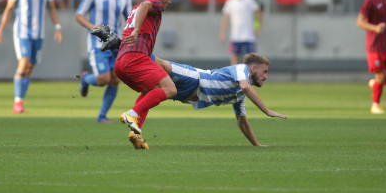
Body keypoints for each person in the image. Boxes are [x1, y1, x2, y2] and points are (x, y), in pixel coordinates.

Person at [91, 29, 287, 149]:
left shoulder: (238, 95)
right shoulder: (241, 70)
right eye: (265, 71)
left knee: (150, 91)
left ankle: (135, 131)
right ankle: (117, 44)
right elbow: (245, 86)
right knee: (158, 63)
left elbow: (242, 122)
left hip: (187, 94)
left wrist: (256, 145)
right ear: (253, 68)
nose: (266, 76)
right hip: (195, 78)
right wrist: (267, 110)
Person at [0, 0, 63, 113]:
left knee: (30, 66)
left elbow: (51, 7)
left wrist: (57, 27)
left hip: (39, 33)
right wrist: (1, 29)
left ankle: (21, 100)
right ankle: (17, 102)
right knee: (24, 63)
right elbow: (9, 8)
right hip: (22, 32)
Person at [115, 0, 177, 136]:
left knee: (151, 92)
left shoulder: (135, 9)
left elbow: (142, 7)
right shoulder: (152, 3)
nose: (169, 1)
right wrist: (136, 30)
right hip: (136, 57)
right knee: (170, 89)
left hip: (121, 63)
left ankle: (136, 131)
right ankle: (131, 114)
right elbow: (146, 5)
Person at [75, 0, 132, 123]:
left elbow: (130, 20)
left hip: (116, 45)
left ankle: (101, 116)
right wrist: (92, 26)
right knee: (103, 79)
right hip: (97, 44)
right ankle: (85, 79)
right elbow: (79, 15)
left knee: (115, 79)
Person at [219, 0, 262, 65]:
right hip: (236, 35)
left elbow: (259, 13)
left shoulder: (249, 0)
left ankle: (251, 77)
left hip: (248, 34)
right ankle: (235, 77)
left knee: (252, 57)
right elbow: (226, 18)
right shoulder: (230, 2)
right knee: (235, 56)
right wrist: (222, 32)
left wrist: (258, 27)